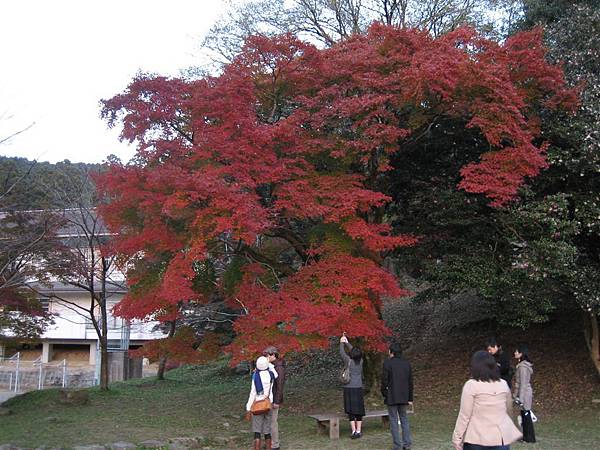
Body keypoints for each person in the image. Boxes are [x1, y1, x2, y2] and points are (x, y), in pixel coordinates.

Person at [452, 351, 522, 450]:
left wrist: (457, 437)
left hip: (476, 439)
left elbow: (464, 415)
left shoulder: (471, 385)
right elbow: (508, 410)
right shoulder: (503, 384)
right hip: (499, 438)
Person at [381, 342, 413, 450]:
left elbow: (384, 381)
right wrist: (410, 398)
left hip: (391, 396)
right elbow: (410, 382)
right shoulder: (406, 364)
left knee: (394, 420)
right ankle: (407, 444)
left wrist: (384, 393)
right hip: (404, 396)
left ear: (392, 352)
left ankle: (397, 445)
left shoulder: (387, 363)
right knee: (404, 419)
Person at [246, 355, 278, 450]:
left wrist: (248, 408)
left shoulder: (255, 376)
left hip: (257, 405)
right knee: (267, 430)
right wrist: (269, 363)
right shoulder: (271, 374)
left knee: (257, 431)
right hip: (268, 404)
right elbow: (276, 374)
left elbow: (252, 393)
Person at [340, 333, 365, 438]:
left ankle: (353, 431)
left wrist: (342, 343)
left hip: (348, 388)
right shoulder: (361, 361)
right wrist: (347, 342)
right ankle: (359, 431)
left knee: (350, 410)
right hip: (358, 387)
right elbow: (354, 351)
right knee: (359, 410)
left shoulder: (348, 361)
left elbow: (342, 352)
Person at [263, 346, 286, 450]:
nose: (266, 357)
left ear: (273, 355)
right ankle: (269, 443)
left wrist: (277, 401)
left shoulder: (279, 367)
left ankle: (275, 445)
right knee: (268, 422)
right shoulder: (270, 366)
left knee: (272, 422)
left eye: (267, 355)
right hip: (268, 398)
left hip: (274, 399)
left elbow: (280, 385)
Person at [514, 344, 536, 443]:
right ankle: (526, 437)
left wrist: (521, 398)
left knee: (526, 415)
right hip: (524, 392)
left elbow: (522, 383)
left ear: (521, 353)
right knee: (524, 415)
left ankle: (529, 438)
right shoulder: (522, 365)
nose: (515, 353)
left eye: (516, 352)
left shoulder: (523, 367)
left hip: (525, 393)